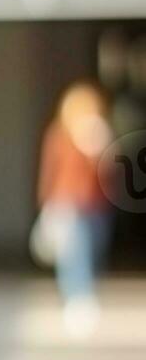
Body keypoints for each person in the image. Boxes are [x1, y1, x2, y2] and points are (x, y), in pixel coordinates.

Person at [36, 80, 115, 336]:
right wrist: (46, 201)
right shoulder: (59, 134)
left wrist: (99, 149)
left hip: (95, 205)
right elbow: (51, 170)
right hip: (68, 204)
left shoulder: (99, 133)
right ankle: (78, 298)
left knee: (92, 251)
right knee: (74, 254)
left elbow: (110, 172)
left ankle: (85, 295)